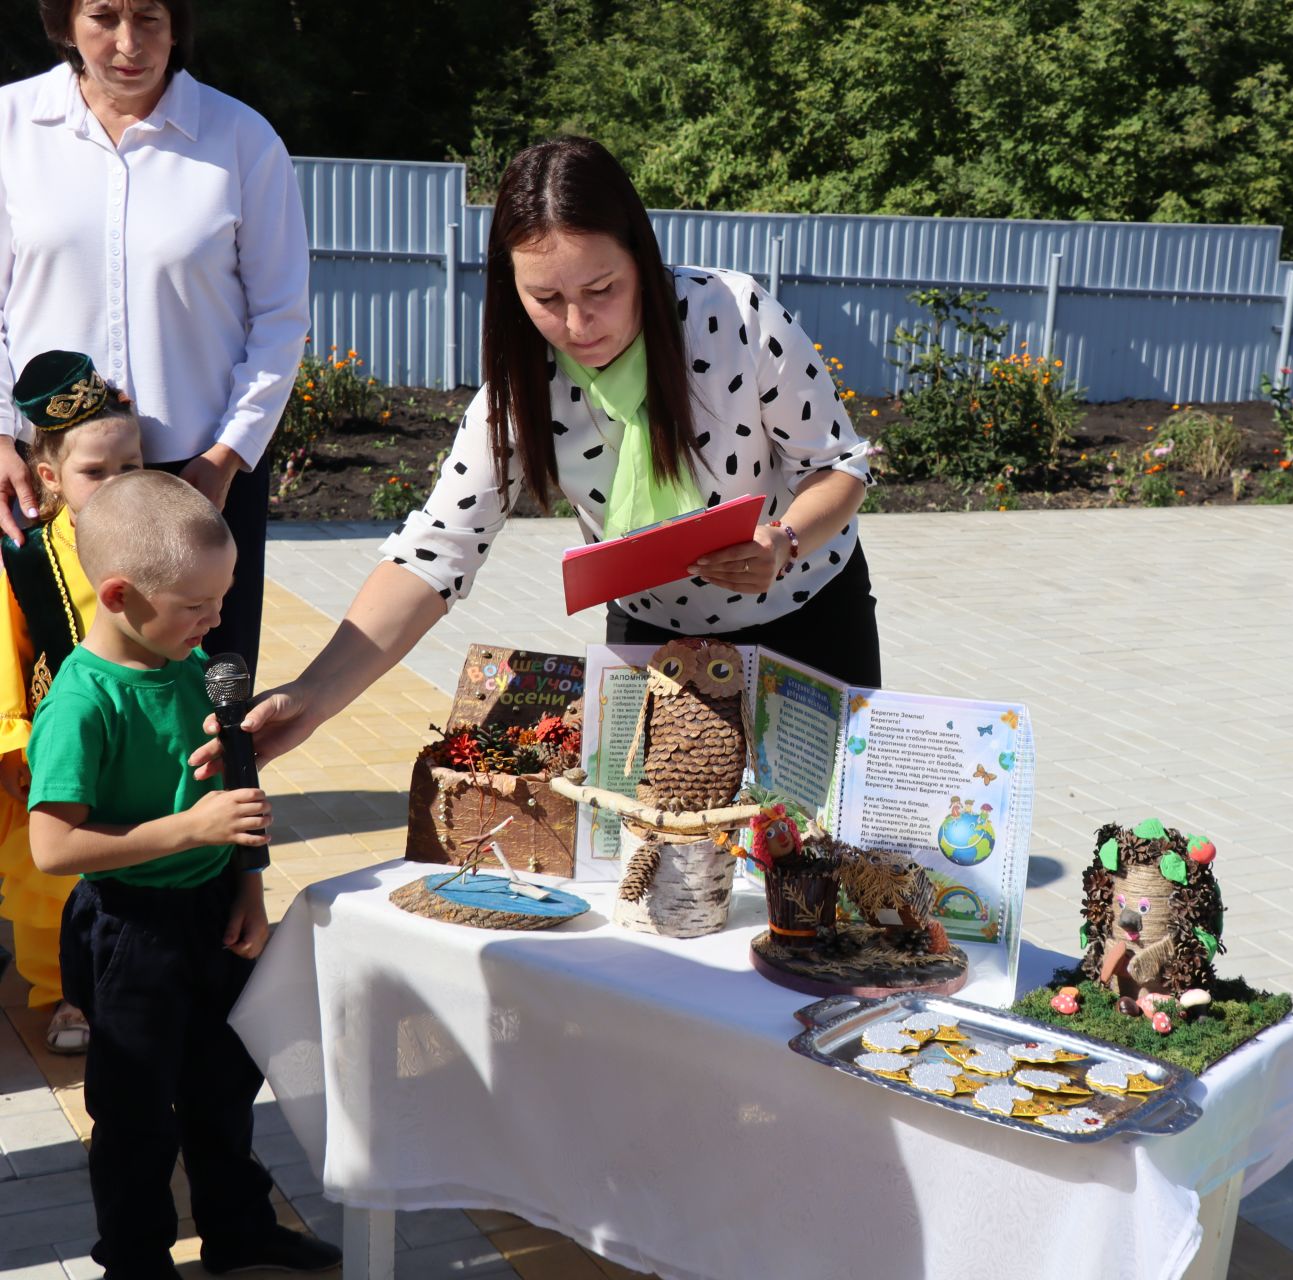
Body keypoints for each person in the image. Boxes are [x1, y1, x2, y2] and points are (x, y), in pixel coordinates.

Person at [215, 136, 874, 770]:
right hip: (653, 637)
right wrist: (313, 695)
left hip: (808, 616)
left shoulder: (733, 315)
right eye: (547, 299)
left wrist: (784, 541)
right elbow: (434, 552)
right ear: (511, 286)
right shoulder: (516, 391)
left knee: (817, 854)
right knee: (655, 852)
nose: (580, 327)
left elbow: (840, 464)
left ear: (641, 258)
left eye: (602, 290)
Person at [26, 470, 340, 1279]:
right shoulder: (83, 701)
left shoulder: (197, 666)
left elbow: (239, 791)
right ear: (121, 595)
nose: (217, 619)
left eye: (224, 597)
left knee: (223, 1091)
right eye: (197, 604)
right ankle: (135, 1259)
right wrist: (185, 830)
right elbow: (52, 848)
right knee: (134, 1114)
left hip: (213, 914)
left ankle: (239, 1229)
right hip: (131, 932)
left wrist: (247, 889)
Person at [0, 0, 310, 674]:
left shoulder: (241, 140)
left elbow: (281, 316)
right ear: (63, 23)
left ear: (179, 24)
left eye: (148, 18)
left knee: (201, 700)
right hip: (44, 476)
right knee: (44, 701)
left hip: (199, 478)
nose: (127, 42)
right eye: (104, 17)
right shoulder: (9, 127)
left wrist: (227, 456)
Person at [0, 350, 143, 1055]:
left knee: (137, 853)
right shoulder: (25, 553)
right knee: (55, 872)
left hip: (144, 730)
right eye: (96, 473)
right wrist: (15, 742)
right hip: (64, 737)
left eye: (131, 467)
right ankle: (67, 993)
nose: (117, 485)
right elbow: (11, 650)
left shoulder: (159, 539)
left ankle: (139, 971)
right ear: (51, 477)